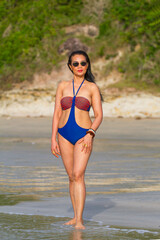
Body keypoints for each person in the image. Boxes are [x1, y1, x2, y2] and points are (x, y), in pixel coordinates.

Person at [51, 50, 103, 229]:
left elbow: (99, 116)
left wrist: (90, 133)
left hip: (83, 135)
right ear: (70, 66)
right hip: (63, 134)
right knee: (71, 176)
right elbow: (57, 112)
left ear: (87, 65)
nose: (80, 66)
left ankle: (79, 220)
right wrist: (53, 138)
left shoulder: (92, 88)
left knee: (79, 175)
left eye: (83, 63)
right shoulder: (62, 86)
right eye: (76, 63)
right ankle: (74, 216)